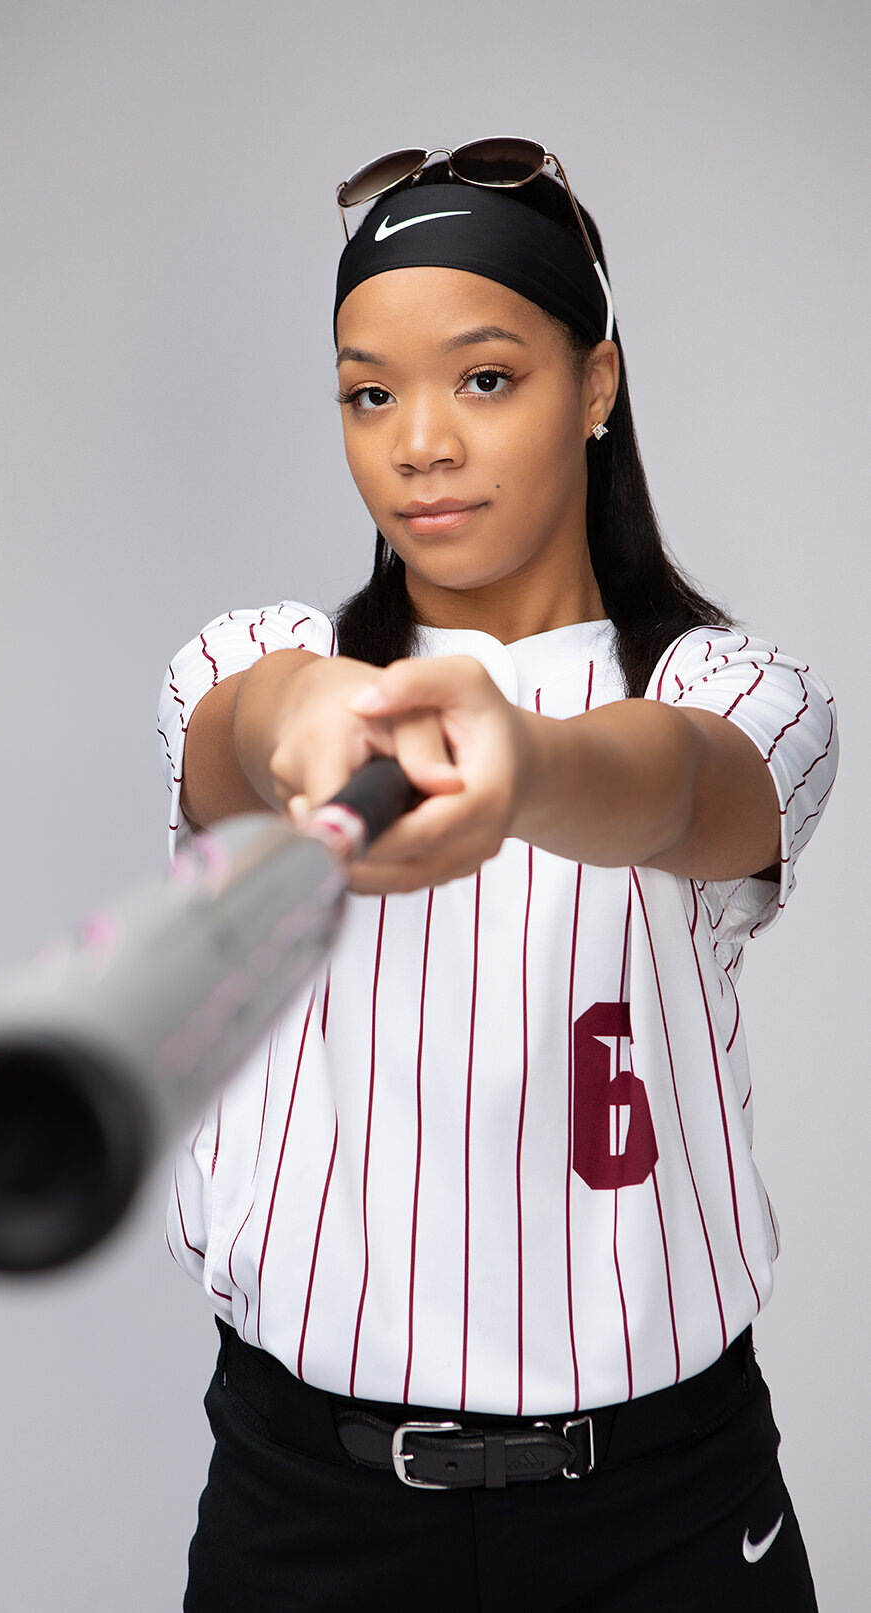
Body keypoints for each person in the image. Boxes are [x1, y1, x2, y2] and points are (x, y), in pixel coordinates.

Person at [158, 141, 836, 1611]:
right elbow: (239, 736)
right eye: (368, 392)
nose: (419, 443)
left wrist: (522, 766)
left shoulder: (731, 686)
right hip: (311, 1504)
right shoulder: (264, 664)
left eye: (483, 378)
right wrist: (306, 720)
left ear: (594, 385)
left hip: (661, 1505)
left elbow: (680, 784)